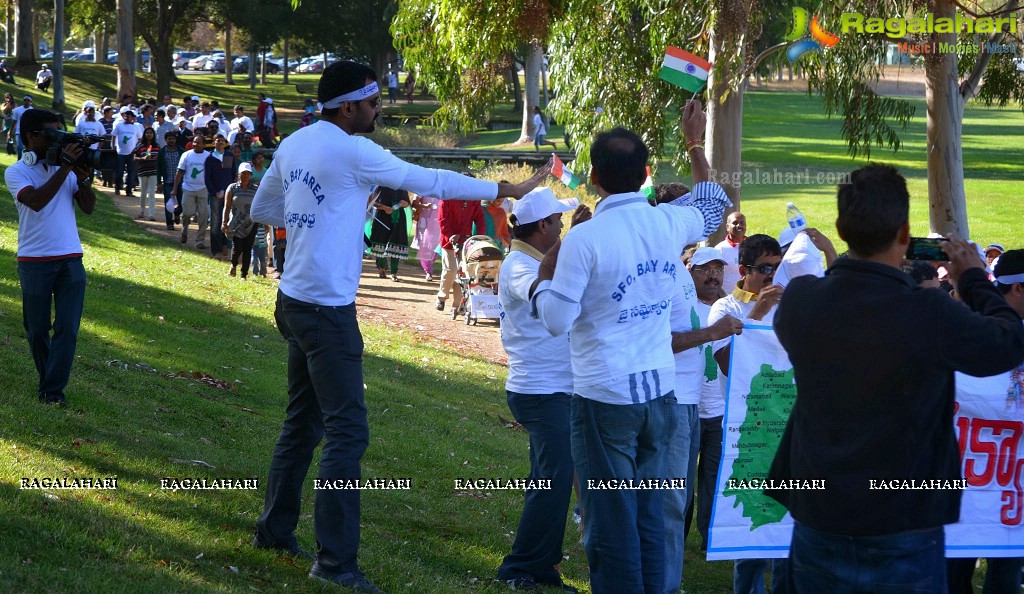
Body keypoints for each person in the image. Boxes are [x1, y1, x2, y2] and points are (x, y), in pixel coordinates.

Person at [248, 60, 548, 592]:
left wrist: (314, 221)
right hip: (324, 312)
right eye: (370, 103)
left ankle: (273, 531)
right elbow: (432, 180)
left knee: (302, 423)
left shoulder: (296, 144)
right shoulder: (354, 151)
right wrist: (508, 188)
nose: (377, 110)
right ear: (347, 107)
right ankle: (336, 564)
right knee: (347, 432)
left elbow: (264, 206)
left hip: (293, 300)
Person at [766, 164, 1024, 591]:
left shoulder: (800, 302)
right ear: (905, 234)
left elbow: (842, 297)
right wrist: (974, 278)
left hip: (820, 513)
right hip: (903, 520)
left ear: (840, 229)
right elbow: (1009, 340)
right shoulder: (932, 312)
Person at [532, 119, 730, 593]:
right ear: (646, 172)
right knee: (649, 514)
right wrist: (694, 141)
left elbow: (557, 320)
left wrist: (542, 280)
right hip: (660, 396)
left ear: (594, 177)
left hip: (605, 398)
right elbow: (716, 203)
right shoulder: (667, 221)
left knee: (610, 517)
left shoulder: (584, 238)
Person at [495, 187, 589, 592]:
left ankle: (543, 565)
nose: (564, 224)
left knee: (548, 480)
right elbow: (540, 289)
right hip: (539, 391)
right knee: (554, 480)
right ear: (543, 226)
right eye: (560, 221)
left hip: (555, 389)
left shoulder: (531, 257)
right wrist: (574, 242)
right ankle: (519, 568)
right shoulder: (518, 264)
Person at [705, 233, 788, 594]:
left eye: (778, 268)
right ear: (743, 270)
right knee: (751, 520)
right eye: (765, 269)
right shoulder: (724, 309)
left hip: (789, 426)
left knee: (789, 520)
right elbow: (727, 363)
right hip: (747, 431)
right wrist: (758, 313)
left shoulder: (790, 305)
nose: (773, 277)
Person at [6, 108, 97, 406]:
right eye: (52, 134)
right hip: (34, 261)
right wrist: (65, 169)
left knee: (67, 329)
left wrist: (82, 180)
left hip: (71, 259)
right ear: (32, 137)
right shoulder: (17, 171)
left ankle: (53, 391)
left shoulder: (64, 169)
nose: (59, 139)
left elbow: (87, 208)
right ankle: (49, 385)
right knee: (36, 329)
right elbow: (35, 202)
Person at [678, 248, 734, 552]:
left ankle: (711, 539)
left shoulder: (729, 308)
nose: (713, 275)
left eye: (718, 269)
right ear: (691, 272)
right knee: (681, 483)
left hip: (719, 410)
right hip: (685, 408)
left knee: (714, 479)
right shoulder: (682, 305)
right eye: (705, 269)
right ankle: (677, 537)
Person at [435, 182, 485, 311]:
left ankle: (457, 304)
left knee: (463, 273)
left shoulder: (474, 199)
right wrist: (450, 235)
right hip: (449, 241)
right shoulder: (447, 198)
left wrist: (480, 238)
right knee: (451, 269)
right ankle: (441, 297)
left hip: (466, 241)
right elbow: (442, 219)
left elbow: (479, 218)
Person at [222, 162, 259, 279]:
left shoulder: (255, 189)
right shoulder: (232, 188)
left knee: (248, 249)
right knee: (237, 248)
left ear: (251, 175)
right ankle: (233, 265)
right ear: (239, 174)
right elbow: (227, 206)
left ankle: (244, 274)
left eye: (248, 174)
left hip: (251, 223)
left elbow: (259, 206)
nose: (245, 176)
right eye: (243, 173)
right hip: (236, 223)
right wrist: (224, 222)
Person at [174, 133, 210, 249]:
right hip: (188, 188)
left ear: (204, 145)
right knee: (187, 213)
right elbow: (180, 172)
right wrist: (174, 189)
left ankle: (200, 240)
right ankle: (184, 231)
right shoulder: (186, 155)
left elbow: (212, 173)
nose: (196, 144)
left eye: (199, 142)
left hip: (203, 189)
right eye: (194, 142)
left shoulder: (208, 156)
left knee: (203, 215)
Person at [205, 134, 238, 257]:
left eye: (222, 141)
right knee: (215, 223)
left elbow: (233, 173)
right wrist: (215, 192)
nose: (220, 143)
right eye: (218, 141)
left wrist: (230, 191)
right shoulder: (209, 158)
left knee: (228, 220)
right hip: (215, 195)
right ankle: (216, 250)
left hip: (228, 194)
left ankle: (225, 244)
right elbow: (207, 179)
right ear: (214, 143)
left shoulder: (229, 155)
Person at [368, 187, 410, 282]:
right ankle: (381, 268)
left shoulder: (403, 187)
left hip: (398, 218)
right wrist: (384, 207)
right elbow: (373, 202)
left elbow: (408, 203)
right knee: (381, 240)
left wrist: (404, 203)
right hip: (383, 217)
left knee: (396, 241)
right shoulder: (381, 186)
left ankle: (394, 272)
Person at [410, 194, 441, 281]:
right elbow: (414, 203)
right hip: (424, 221)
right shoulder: (423, 188)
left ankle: (429, 266)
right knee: (424, 245)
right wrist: (424, 206)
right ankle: (428, 270)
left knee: (436, 245)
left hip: (438, 221)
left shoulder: (442, 188)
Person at [112, 108, 142, 197]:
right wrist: (113, 146)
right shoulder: (119, 126)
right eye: (125, 117)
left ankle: (129, 190)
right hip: (120, 152)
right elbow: (113, 135)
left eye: (129, 117)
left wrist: (137, 149)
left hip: (132, 152)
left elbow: (140, 138)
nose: (127, 118)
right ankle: (117, 187)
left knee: (131, 172)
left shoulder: (136, 127)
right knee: (119, 171)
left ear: (132, 118)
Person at [156, 131, 182, 230]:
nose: (171, 141)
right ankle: (169, 223)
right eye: (169, 139)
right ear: (166, 140)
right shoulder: (162, 152)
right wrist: (159, 182)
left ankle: (177, 213)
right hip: (167, 181)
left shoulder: (181, 151)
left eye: (173, 139)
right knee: (168, 202)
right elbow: (158, 168)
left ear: (175, 140)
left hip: (180, 181)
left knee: (182, 202)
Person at [714, 211, 747, 291]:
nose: (739, 225)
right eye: (735, 223)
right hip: (727, 298)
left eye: (742, 223)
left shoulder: (753, 247)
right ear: (727, 227)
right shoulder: (720, 249)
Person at [134, 127, 159, 220]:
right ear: (144, 134)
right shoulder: (140, 145)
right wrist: (142, 159)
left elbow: (160, 158)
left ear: (153, 135)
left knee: (151, 193)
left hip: (153, 171)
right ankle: (141, 211)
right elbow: (134, 157)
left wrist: (156, 159)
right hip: (142, 171)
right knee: (143, 192)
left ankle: (151, 214)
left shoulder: (157, 146)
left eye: (151, 133)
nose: (149, 134)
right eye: (147, 132)